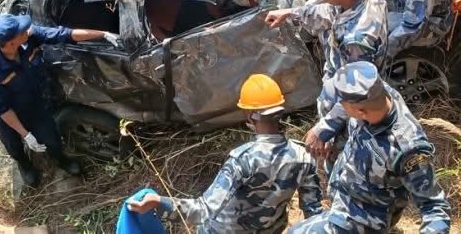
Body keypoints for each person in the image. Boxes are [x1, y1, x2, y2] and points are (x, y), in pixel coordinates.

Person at [127, 73, 323, 232]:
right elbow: (313, 214)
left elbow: (203, 211)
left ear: (248, 115)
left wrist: (159, 203)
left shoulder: (242, 160)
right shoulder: (304, 156)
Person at [290, 61, 452, 233]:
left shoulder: (406, 148)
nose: (339, 105)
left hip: (365, 219)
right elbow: (346, 107)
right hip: (346, 198)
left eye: (342, 102)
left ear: (360, 112)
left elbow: (434, 206)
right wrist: (323, 128)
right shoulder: (378, 93)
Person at [264, 0, 387, 158]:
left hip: (351, 109)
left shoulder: (357, 40)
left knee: (338, 153)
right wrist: (290, 13)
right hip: (339, 86)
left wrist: (324, 130)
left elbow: (355, 93)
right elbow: (329, 11)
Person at [0, 14, 121, 185]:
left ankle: (62, 160)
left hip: (33, 105)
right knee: (14, 148)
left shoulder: (29, 37)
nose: (27, 30)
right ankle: (25, 165)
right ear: (10, 43)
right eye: (21, 31)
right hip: (8, 117)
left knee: (52, 140)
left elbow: (65, 34)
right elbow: (2, 109)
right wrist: (26, 135)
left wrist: (102, 34)